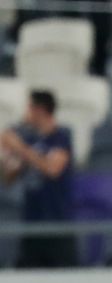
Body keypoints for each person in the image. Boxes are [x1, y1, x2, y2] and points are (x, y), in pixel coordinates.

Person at [0, 90, 76, 267]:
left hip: (57, 223)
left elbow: (53, 169)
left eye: (29, 107)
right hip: (31, 223)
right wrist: (6, 154)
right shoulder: (30, 140)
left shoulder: (60, 137)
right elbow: (9, 177)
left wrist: (19, 147)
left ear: (40, 110)